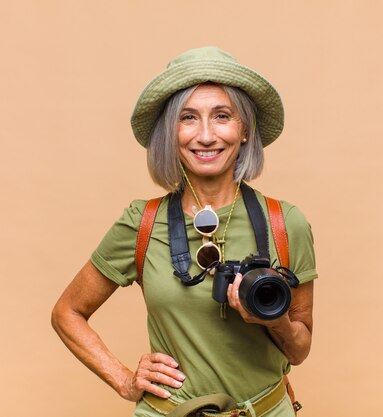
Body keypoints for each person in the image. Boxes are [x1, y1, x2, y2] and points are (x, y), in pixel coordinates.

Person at [51, 46, 317, 417]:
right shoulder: (141, 222)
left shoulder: (286, 223)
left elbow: (300, 349)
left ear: (244, 130)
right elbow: (67, 313)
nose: (206, 135)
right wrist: (125, 380)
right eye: (188, 118)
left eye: (222, 116)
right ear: (170, 133)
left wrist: (276, 321)